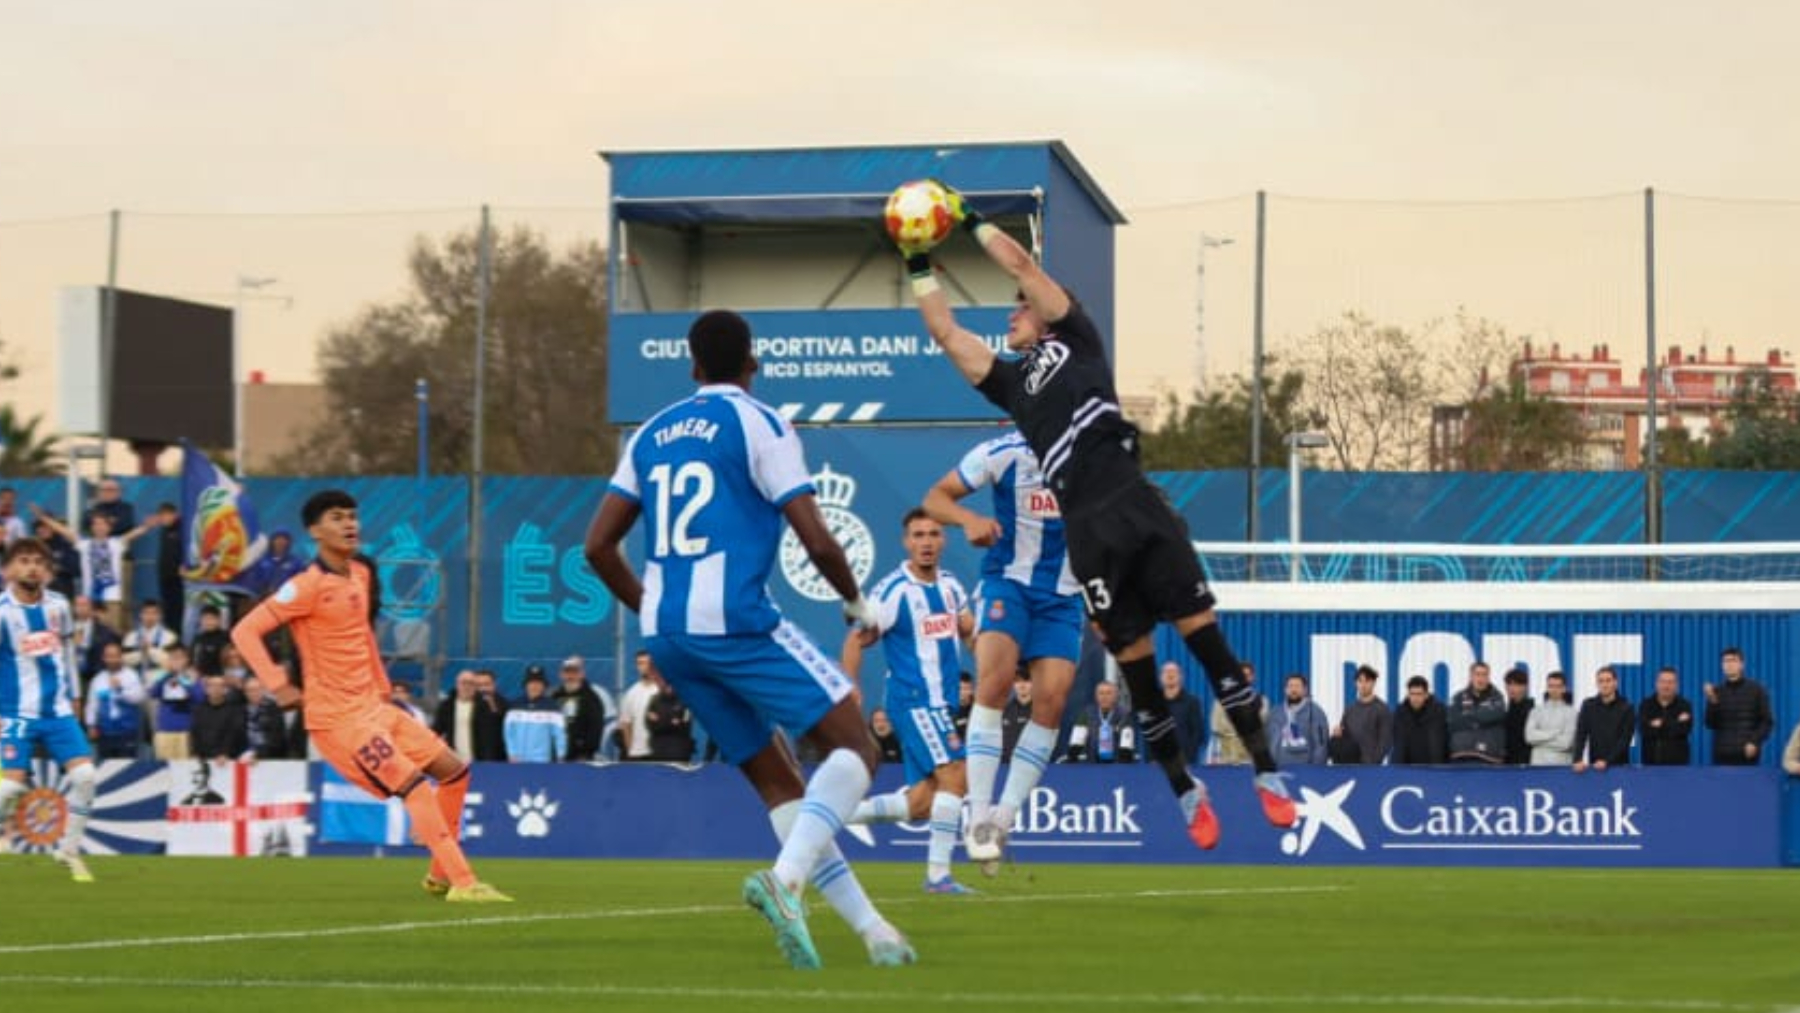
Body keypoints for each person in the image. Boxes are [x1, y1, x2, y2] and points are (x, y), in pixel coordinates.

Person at [907, 194, 1298, 853]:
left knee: (1207, 641)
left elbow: (1023, 266)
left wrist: (966, 217)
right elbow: (946, 332)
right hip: (1087, 533)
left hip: (1137, 500)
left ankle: (1267, 771)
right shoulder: (1009, 386)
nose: (1011, 312)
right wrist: (917, 257)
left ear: (1050, 311)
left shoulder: (1078, 339)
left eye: (1021, 308)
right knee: (1138, 668)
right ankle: (1184, 790)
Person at [584, 308, 914, 968]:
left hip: (670, 635)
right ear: (753, 363)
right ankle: (784, 881)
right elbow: (817, 536)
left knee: (780, 782)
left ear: (693, 365)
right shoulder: (761, 422)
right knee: (857, 745)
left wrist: (653, 607)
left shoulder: (649, 434)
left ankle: (876, 934)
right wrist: (856, 605)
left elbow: (597, 546)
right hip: (734, 618)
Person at [232, 489, 509, 902]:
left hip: (375, 708)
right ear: (314, 531)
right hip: (338, 719)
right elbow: (245, 631)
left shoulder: (360, 574)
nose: (349, 524)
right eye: (336, 517)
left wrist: (383, 692)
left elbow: (362, 635)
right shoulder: (304, 587)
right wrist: (277, 684)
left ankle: (439, 876)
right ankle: (465, 883)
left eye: (352, 516)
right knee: (414, 785)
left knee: (454, 771)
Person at [922, 426, 1084, 871]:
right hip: (1008, 583)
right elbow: (936, 497)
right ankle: (976, 817)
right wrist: (968, 520)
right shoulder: (1004, 451)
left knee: (1051, 701)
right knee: (993, 685)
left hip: (1064, 594)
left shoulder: (1092, 455)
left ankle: (1003, 817)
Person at [841, 507, 978, 893]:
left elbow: (968, 631)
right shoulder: (893, 591)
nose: (926, 542)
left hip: (943, 704)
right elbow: (856, 638)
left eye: (933, 534)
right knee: (955, 776)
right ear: (906, 542)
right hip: (915, 701)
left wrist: (991, 667)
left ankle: (837, 814)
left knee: (921, 803)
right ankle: (938, 877)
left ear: (943, 540)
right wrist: (851, 686)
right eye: (918, 535)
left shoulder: (951, 586)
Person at [0, 538, 100, 881]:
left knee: (86, 777)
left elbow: (68, 654)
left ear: (48, 570)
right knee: (8, 788)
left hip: (58, 712)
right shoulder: (2, 611)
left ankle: (69, 850)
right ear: (8, 570)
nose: (32, 567)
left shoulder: (59, 605)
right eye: (24, 560)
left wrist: (77, 699)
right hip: (15, 713)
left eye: (39, 562)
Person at [33, 506, 160, 633]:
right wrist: (45, 519)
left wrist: (147, 526)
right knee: (90, 634)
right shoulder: (84, 544)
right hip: (90, 599)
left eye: (102, 524)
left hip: (112, 598)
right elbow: (65, 531)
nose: (99, 527)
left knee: (112, 632)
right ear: (92, 527)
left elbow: (134, 534)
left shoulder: (117, 543)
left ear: (109, 527)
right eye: (96, 524)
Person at [1704, 647, 1772, 766]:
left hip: (1747, 755)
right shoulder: (1716, 691)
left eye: (1733, 660)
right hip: (1722, 756)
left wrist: (1754, 742)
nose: (1729, 664)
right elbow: (1710, 724)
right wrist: (1712, 702)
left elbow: (1767, 722)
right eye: (1725, 661)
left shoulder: (1757, 690)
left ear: (1742, 664)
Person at [84, 641, 147, 760]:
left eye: (115, 656)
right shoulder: (98, 680)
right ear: (103, 658)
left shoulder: (131, 675)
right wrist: (91, 725)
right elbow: (92, 704)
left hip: (127, 731)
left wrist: (120, 689)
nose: (112, 660)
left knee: (127, 766)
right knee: (106, 767)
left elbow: (139, 698)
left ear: (121, 657)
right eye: (109, 656)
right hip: (105, 732)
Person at [432, 670, 507, 763]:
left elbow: (490, 738)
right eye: (463, 683)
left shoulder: (483, 706)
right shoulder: (447, 706)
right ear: (457, 684)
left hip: (479, 762)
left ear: (475, 687)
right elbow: (436, 731)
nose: (467, 686)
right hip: (455, 761)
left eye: (471, 683)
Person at [1572, 666, 1635, 773]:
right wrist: (1577, 759)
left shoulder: (1627, 707)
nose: (1604, 685)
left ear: (1615, 683)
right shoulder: (1588, 705)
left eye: (1608, 681)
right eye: (1601, 681)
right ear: (1597, 684)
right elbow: (1581, 734)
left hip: (1619, 767)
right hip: (1595, 767)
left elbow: (1625, 740)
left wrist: (1607, 761)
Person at [502, 665, 567, 763]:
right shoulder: (514, 706)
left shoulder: (552, 707)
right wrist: (511, 753)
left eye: (538, 683)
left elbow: (560, 734)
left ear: (544, 685)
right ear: (526, 684)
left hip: (541, 761)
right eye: (531, 682)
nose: (534, 686)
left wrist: (561, 755)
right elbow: (508, 732)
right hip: (517, 760)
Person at [1446, 661, 1507, 765]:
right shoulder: (1458, 697)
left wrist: (1467, 716)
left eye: (1484, 675)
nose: (1481, 678)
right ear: (1471, 676)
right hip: (1462, 755)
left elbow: (1495, 715)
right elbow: (1452, 721)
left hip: (1489, 757)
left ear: (1488, 677)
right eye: (1477, 674)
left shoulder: (1497, 698)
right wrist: (1480, 719)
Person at [1065, 679, 1137, 763]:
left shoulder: (1124, 715)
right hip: (1092, 764)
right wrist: (1072, 757)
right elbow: (1077, 740)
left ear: (1115, 696)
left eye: (1108, 693)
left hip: (1117, 764)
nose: (1104, 697)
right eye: (1101, 693)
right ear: (1096, 696)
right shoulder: (1086, 714)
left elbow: (1126, 745)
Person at [1209, 663, 1268, 765]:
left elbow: (1260, 725)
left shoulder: (1262, 701)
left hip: (1250, 760)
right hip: (1225, 758)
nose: (1244, 678)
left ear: (1252, 678)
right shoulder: (1220, 701)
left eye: (1247, 675)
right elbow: (1216, 727)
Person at [551, 655, 607, 762]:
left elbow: (596, 729)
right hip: (557, 758)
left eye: (575, 672)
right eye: (567, 672)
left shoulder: (591, 698)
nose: (571, 676)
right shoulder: (555, 697)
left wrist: (586, 752)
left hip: (581, 758)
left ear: (582, 674)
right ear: (561, 674)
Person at [148, 643, 199, 760]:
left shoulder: (191, 676)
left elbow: (198, 697)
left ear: (186, 660)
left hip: (184, 731)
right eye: (173, 657)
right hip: (164, 730)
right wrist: (168, 674)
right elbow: (153, 693)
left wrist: (181, 678)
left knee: (184, 769)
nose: (176, 661)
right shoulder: (163, 676)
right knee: (163, 770)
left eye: (179, 657)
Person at [1333, 665, 1392, 765]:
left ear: (1373, 683)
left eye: (1367, 681)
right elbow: (1344, 738)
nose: (1363, 685)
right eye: (1360, 681)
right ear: (1356, 683)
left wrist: (1373, 763)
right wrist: (1338, 734)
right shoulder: (1350, 710)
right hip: (1350, 766)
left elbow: (1385, 741)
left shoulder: (1382, 709)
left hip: (1371, 768)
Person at [1639, 666, 1694, 767]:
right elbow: (1644, 730)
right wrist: (1676, 722)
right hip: (1650, 766)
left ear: (1676, 685)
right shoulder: (1646, 705)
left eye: (1670, 682)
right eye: (1663, 681)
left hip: (1677, 767)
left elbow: (1685, 730)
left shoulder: (1685, 705)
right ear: (1657, 683)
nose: (1666, 686)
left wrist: (1659, 725)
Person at [1271, 674, 1330, 766]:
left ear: (1305, 690)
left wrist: (1316, 771)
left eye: (1297, 686)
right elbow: (1271, 743)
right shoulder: (1275, 713)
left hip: (1306, 771)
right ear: (1285, 690)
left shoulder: (1316, 712)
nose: (1293, 690)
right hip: (1280, 770)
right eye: (1290, 686)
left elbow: (1321, 746)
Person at [189, 672, 248, 763]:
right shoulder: (198, 710)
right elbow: (195, 733)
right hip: (203, 758)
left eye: (220, 686)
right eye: (212, 686)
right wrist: (196, 753)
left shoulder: (234, 710)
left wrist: (225, 753)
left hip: (226, 759)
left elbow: (233, 734)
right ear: (206, 690)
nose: (216, 689)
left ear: (226, 690)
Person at [1524, 671, 1578, 766]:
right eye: (1551, 686)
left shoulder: (1572, 713)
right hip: (1538, 766)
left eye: (1558, 686)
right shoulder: (1536, 711)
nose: (1554, 689)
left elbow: (1566, 743)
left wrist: (1538, 743)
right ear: (1547, 688)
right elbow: (1529, 737)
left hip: (1561, 766)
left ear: (1564, 688)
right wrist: (1555, 733)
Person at [1391, 676, 1448, 765]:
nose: (1415, 698)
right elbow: (1398, 744)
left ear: (1426, 695)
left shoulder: (1440, 712)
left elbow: (1445, 740)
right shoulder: (1400, 713)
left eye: (1419, 694)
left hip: (1434, 769)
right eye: (1412, 694)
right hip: (1408, 770)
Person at [645, 672, 698, 762]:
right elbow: (649, 725)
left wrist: (660, 720)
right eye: (666, 683)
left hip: (679, 752)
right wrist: (670, 722)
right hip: (658, 751)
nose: (669, 686)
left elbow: (684, 726)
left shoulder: (685, 701)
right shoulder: (654, 700)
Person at [1160, 662, 1206, 766]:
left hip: (1185, 761)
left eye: (1173, 672)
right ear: (1161, 677)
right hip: (1159, 763)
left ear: (1181, 677)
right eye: (1166, 672)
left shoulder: (1192, 702)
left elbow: (1198, 732)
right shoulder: (1155, 704)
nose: (1170, 675)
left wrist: (1188, 757)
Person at [617, 650, 660, 761]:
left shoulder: (661, 690)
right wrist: (630, 750)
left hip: (658, 753)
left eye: (647, 663)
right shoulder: (631, 693)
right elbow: (626, 725)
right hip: (637, 754)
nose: (644, 666)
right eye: (640, 663)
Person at [70, 593, 119, 685]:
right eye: (78, 605)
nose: (81, 608)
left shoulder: (104, 631)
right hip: (73, 676)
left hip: (95, 676)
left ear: (91, 608)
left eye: (84, 605)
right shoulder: (68, 629)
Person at [121, 599, 177, 680]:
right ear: (140, 615)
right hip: (135, 678)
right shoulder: (131, 637)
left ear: (160, 616)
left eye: (154, 613)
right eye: (146, 613)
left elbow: (170, 662)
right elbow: (124, 660)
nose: (150, 617)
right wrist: (142, 652)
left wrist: (150, 650)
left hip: (159, 678)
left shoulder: (169, 637)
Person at [153, 501, 184, 636]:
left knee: (179, 611)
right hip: (165, 578)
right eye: (162, 516)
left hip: (179, 579)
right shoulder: (164, 531)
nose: (164, 518)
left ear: (175, 515)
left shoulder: (183, 530)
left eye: (167, 515)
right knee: (168, 610)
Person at [242, 674, 290, 760]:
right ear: (245, 693)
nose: (253, 693)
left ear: (262, 690)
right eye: (250, 690)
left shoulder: (273, 709)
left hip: (268, 758)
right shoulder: (241, 711)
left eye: (256, 690)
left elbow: (277, 738)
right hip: (244, 755)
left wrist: (258, 753)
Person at [999, 672, 1034, 762]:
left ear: (1034, 683)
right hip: (1005, 765)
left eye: (1026, 681)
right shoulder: (1004, 710)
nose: (1021, 685)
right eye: (1017, 681)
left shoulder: (1040, 711)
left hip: (1031, 764)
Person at [189, 605, 232, 677]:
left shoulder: (226, 637)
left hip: (221, 676)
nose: (209, 622)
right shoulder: (198, 639)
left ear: (219, 620)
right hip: (200, 676)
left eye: (212, 619)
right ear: (200, 621)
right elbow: (193, 658)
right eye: (205, 619)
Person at [1502, 668, 1534, 765]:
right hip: (1507, 763)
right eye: (1509, 684)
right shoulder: (1506, 710)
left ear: (1525, 687)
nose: (1512, 688)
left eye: (1516, 684)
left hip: (1525, 763)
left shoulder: (1532, 710)